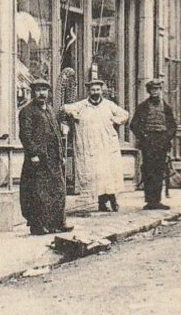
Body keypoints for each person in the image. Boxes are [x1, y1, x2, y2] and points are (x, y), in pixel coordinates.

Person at [60, 74, 129, 212]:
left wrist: (114, 121)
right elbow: (64, 108)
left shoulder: (108, 105)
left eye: (97, 89)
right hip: (91, 147)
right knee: (97, 175)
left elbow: (124, 114)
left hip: (107, 145)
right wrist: (73, 114)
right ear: (89, 91)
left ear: (102, 90)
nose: (95, 92)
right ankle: (102, 202)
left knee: (109, 174)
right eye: (93, 90)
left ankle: (113, 199)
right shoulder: (83, 105)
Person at [18, 78, 72, 236]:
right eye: (38, 90)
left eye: (44, 90)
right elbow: (25, 135)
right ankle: (38, 225)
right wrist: (33, 153)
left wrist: (61, 154)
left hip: (53, 158)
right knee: (38, 192)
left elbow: (56, 134)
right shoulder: (27, 111)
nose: (42, 93)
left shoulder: (49, 110)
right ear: (33, 92)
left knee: (57, 190)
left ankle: (58, 222)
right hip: (38, 159)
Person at [131, 77, 179, 210]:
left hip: (162, 142)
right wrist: (144, 137)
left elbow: (173, 126)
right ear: (149, 91)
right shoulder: (143, 107)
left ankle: (157, 200)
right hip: (148, 143)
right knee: (148, 171)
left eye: (157, 89)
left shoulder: (167, 108)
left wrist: (166, 138)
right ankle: (149, 201)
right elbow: (134, 124)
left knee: (159, 171)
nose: (155, 92)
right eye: (152, 89)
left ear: (160, 90)